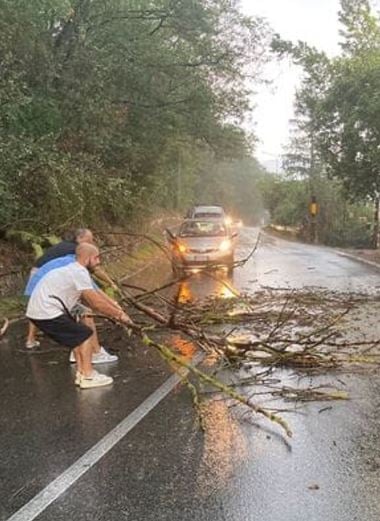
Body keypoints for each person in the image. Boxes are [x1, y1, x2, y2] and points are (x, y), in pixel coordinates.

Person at [26, 243, 133, 389]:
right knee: (85, 335)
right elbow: (95, 303)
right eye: (96, 258)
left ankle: (81, 373)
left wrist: (114, 309)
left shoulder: (74, 269)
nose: (98, 262)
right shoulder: (79, 272)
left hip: (42, 309)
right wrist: (120, 316)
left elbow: (95, 295)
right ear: (87, 258)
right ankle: (88, 376)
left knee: (78, 335)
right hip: (47, 311)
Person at [25, 228, 119, 364]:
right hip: (44, 281)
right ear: (80, 239)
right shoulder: (77, 255)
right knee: (84, 322)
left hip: (40, 278)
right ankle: (93, 358)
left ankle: (31, 340)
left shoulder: (67, 250)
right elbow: (93, 290)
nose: (92, 242)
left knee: (76, 311)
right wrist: (116, 309)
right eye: (90, 240)